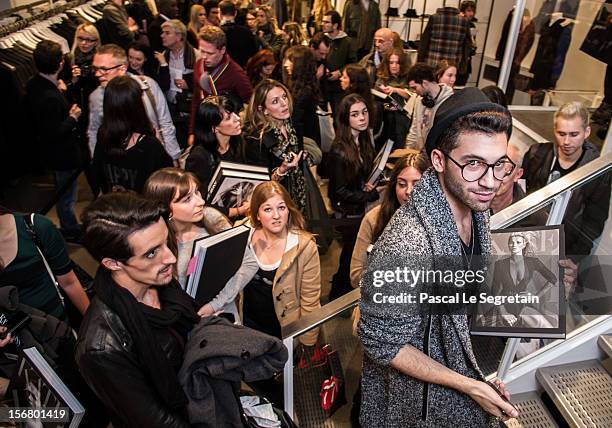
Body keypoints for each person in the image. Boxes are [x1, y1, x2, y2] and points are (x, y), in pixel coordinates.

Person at [358, 87, 519, 426]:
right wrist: (469, 386)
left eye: (498, 164)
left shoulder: (476, 208)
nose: (490, 182)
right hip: (413, 408)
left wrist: (475, 371)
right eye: (473, 163)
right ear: (438, 160)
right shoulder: (407, 245)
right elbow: (380, 343)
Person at [75, 192, 199, 427]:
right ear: (113, 263)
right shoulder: (100, 349)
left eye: (166, 242)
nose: (171, 258)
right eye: (152, 253)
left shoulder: (156, 278)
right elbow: (157, 422)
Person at [197, 181, 321, 348]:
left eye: (281, 208)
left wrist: (308, 342)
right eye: (268, 209)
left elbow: (310, 300)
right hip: (247, 321)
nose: (276, 216)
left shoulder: (304, 247)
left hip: (284, 328)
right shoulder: (241, 234)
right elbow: (230, 278)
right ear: (256, 214)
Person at [522, 101, 611, 261]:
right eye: (561, 134)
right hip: (525, 239)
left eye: (574, 134)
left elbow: (594, 222)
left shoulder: (596, 171)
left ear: (587, 132)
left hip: (563, 251)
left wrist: (572, 259)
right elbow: (520, 196)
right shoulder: (537, 155)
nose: (567, 142)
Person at [25, 40, 83, 242]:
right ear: (60, 63)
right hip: (62, 154)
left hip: (52, 152)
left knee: (65, 191)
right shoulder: (48, 95)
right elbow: (54, 131)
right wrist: (72, 118)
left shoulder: (34, 84)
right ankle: (70, 229)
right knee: (67, 195)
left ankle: (70, 226)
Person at [350, 152, 430, 289]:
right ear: (394, 187)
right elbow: (355, 277)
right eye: (402, 184)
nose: (409, 191)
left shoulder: (444, 220)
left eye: (417, 184)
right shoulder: (374, 219)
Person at [88, 44, 181, 161]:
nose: (97, 74)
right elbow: (94, 131)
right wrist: (98, 160)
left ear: (122, 69)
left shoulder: (147, 86)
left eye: (104, 69)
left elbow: (165, 122)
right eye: (95, 69)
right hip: (120, 164)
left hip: (153, 157)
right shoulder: (96, 97)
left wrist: (173, 156)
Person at [142, 168, 231, 289]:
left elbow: (242, 261)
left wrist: (215, 305)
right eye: (187, 199)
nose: (201, 201)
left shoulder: (211, 217)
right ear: (166, 209)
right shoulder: (159, 249)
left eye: (197, 192)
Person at [327, 94, 379, 300]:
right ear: (346, 118)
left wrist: (367, 183)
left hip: (359, 208)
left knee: (353, 256)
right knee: (349, 257)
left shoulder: (364, 140)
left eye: (364, 112)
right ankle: (337, 297)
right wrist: (367, 194)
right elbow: (337, 192)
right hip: (347, 213)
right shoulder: (339, 151)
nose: (362, 118)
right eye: (355, 114)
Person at [0, 208, 90, 322]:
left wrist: (96, 324)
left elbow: (69, 283)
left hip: (57, 328)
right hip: (14, 334)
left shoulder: (35, 226)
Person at [93, 75, 173, 193]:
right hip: (143, 209)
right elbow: (168, 186)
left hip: (112, 207)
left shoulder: (103, 135)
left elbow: (97, 176)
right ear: (136, 106)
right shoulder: (149, 146)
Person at [245, 79, 307, 212]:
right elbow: (259, 187)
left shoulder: (293, 127)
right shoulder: (257, 139)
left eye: (284, 97)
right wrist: (282, 170)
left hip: (298, 195)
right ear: (264, 110)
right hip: (274, 205)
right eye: (275, 101)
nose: (284, 104)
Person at [185, 95, 251, 218]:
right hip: (218, 220)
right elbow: (201, 203)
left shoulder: (239, 142)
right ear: (214, 128)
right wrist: (239, 211)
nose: (237, 119)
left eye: (235, 113)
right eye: (228, 118)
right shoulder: (200, 157)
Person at [189, 25, 253, 142]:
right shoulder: (198, 65)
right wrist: (192, 132)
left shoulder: (236, 74)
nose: (204, 57)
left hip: (226, 134)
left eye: (210, 53)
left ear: (222, 50)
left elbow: (252, 103)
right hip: (205, 129)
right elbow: (196, 100)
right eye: (201, 51)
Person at [156, 19, 199, 149]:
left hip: (188, 111)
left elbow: (205, 82)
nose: (162, 36)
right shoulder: (164, 55)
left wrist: (190, 84)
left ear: (179, 36)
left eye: (167, 33)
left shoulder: (196, 55)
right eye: (162, 32)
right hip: (170, 109)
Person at [405, 62, 454, 151]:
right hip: (420, 154)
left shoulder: (449, 101)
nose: (414, 92)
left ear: (424, 83)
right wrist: (407, 152)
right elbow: (414, 131)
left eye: (415, 88)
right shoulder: (419, 100)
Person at [417, 5, 472, 81]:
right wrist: (463, 65)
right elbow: (467, 46)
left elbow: (424, 42)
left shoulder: (434, 18)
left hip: (432, 62)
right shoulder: (464, 21)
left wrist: (420, 62)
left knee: (431, 86)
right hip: (453, 63)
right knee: (447, 89)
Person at [283, 45, 321, 146]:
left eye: (290, 60)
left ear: (299, 65)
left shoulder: (304, 92)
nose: (285, 64)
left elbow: (293, 119)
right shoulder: (301, 86)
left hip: (305, 142)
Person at [376, 47, 413, 149]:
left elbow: (413, 96)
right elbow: (377, 98)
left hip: (405, 113)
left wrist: (395, 90)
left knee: (397, 104)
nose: (394, 66)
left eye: (397, 63)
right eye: (391, 63)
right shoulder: (382, 78)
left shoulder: (408, 78)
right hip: (385, 112)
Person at [322, 10, 356, 114]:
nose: (322, 24)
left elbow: (353, 63)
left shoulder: (347, 42)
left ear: (335, 25)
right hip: (322, 85)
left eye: (326, 22)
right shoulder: (321, 39)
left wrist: (340, 72)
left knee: (339, 116)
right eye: (323, 21)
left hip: (339, 87)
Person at [340, 64, 383, 142]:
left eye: (344, 77)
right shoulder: (369, 101)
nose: (341, 79)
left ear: (353, 83)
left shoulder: (352, 104)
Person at [219, 1, 258, 69]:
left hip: (221, 74)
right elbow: (254, 55)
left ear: (219, 14)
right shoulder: (247, 32)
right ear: (235, 13)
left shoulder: (216, 33)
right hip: (242, 73)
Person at [457, 0, 478, 86]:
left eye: (473, 11)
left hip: (466, 60)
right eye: (469, 11)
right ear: (463, 11)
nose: (471, 14)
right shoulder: (458, 23)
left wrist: (473, 45)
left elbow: (472, 42)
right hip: (457, 59)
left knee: (461, 86)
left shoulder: (472, 25)